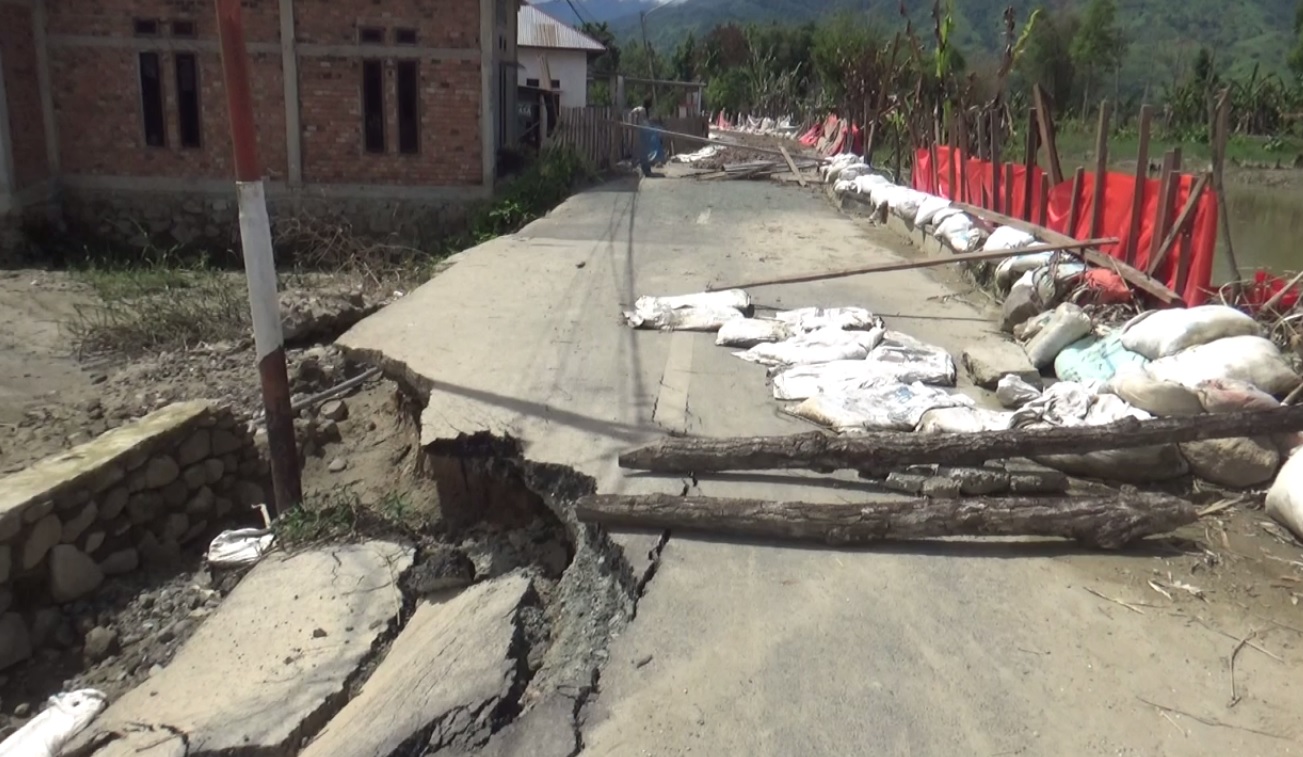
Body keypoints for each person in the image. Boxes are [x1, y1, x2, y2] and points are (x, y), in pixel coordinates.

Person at [629, 97, 653, 177]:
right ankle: (645, 169)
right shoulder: (643, 110)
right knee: (643, 152)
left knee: (642, 152)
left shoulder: (642, 110)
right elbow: (634, 112)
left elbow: (633, 112)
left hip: (642, 131)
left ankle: (645, 169)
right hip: (643, 132)